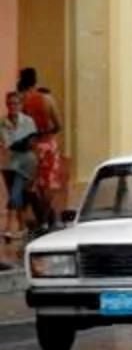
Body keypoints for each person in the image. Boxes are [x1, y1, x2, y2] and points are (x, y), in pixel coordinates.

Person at [18, 69, 65, 232]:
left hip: (32, 146)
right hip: (48, 144)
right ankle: (45, 220)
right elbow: (59, 125)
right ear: (35, 80)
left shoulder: (22, 101)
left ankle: (40, 219)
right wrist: (47, 132)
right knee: (49, 184)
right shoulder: (47, 99)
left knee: (32, 185)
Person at [1, 92, 38, 239]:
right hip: (8, 163)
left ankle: (9, 226)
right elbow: (5, 144)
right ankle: (23, 226)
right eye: (10, 103)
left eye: (15, 103)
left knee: (16, 192)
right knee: (15, 194)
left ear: (21, 105)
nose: (12, 106)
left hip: (25, 163)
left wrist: (13, 144)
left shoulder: (28, 122)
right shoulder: (2, 122)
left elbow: (31, 142)